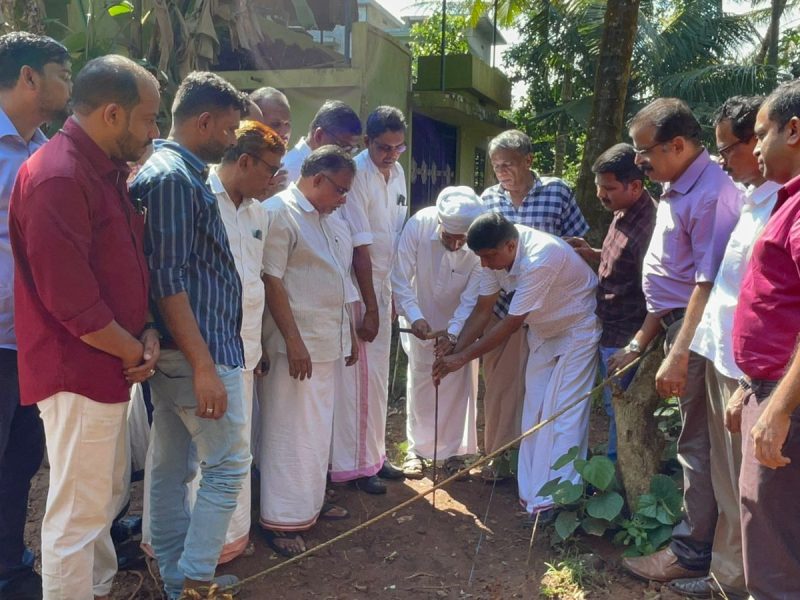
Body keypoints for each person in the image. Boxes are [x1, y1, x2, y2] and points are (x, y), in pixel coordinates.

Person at [10, 54, 160, 600]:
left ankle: (94, 588)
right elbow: (72, 301)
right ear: (114, 115)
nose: (154, 132)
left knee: (100, 498)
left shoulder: (100, 170)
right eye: (148, 120)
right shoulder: (58, 175)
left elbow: (122, 266)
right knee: (77, 510)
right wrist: (131, 349)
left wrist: (141, 334)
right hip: (77, 369)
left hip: (109, 363)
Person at [130, 72, 249, 599]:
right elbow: (168, 277)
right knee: (227, 468)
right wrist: (204, 365)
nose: (230, 141)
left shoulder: (176, 171)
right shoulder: (175, 178)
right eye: (226, 130)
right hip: (195, 352)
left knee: (171, 466)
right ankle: (197, 584)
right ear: (203, 122)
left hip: (185, 348)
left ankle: (179, 582)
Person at [617, 98, 743, 583]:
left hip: (693, 334)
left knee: (699, 446)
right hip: (673, 328)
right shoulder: (677, 187)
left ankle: (693, 554)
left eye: (642, 150)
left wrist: (678, 349)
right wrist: (647, 337)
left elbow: (704, 283)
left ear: (677, 144)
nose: (638, 161)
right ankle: (702, 551)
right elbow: (671, 275)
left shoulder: (712, 194)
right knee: (694, 444)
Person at [665, 96, 779, 600]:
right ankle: (726, 575)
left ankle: (741, 582)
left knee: (749, 488)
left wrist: (754, 381)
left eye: (728, 148)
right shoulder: (752, 198)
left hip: (751, 371)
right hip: (722, 355)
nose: (722, 159)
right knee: (726, 477)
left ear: (759, 142)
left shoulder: (781, 204)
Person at [434, 213, 599, 521]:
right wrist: (454, 348)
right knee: (534, 411)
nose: (484, 264)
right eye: (480, 258)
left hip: (577, 328)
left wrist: (462, 358)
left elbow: (509, 324)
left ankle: (560, 500)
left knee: (563, 414)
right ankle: (534, 495)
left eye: (488, 257)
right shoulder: (494, 256)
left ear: (511, 245)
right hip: (543, 332)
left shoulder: (541, 257)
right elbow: (484, 311)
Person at [258, 146, 357, 557]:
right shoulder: (280, 213)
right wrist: (293, 341)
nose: (343, 199)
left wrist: (347, 331)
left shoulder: (328, 220)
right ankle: (281, 518)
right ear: (316, 179)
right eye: (339, 190)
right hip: (295, 347)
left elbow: (338, 278)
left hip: (326, 341)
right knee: (288, 432)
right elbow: (272, 280)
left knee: (316, 433)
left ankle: (309, 505)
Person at [0, 31, 71, 599]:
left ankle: (10, 564)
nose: (69, 85)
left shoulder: (45, 151)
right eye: (62, 73)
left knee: (21, 462)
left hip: (29, 343)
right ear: (29, 78)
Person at [479, 129, 589, 481]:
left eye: (509, 164)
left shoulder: (557, 191)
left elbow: (579, 242)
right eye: (496, 166)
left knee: (546, 394)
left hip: (551, 310)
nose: (503, 172)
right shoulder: (488, 200)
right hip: (504, 312)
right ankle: (500, 457)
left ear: (528, 161)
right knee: (501, 388)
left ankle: (551, 468)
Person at [202, 120, 286, 562]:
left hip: (245, 351)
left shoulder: (258, 212)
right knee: (206, 461)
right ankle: (199, 554)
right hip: (205, 355)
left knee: (236, 452)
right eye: (270, 170)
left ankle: (230, 543)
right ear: (245, 160)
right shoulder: (201, 197)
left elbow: (253, 282)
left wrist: (256, 350)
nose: (273, 181)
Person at [730, 79, 800, 599]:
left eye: (760, 134)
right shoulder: (785, 201)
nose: (753, 148)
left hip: (788, 400)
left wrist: (776, 407)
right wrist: (750, 385)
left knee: (774, 543)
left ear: (793, 130)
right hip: (771, 386)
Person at [332, 105, 408, 494]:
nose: (390, 154)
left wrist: (392, 294)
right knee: (358, 381)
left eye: (398, 147)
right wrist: (372, 307)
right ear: (367, 142)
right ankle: (357, 466)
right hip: (360, 288)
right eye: (383, 147)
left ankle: (376, 455)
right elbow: (362, 248)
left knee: (378, 381)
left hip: (385, 285)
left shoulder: (397, 175)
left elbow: (395, 238)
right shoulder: (357, 174)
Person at [566, 144, 656, 461]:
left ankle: (618, 479)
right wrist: (593, 254)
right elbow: (623, 263)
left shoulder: (649, 227)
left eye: (609, 188)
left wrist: (635, 345)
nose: (602, 195)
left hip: (627, 336)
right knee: (613, 407)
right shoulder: (622, 211)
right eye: (599, 186)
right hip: (610, 329)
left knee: (621, 411)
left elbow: (657, 293)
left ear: (635, 185)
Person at [391, 186, 485, 479]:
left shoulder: (480, 237)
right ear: (439, 225)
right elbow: (400, 277)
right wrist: (416, 317)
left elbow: (474, 296)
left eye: (463, 240)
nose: (457, 245)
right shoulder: (420, 224)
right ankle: (417, 452)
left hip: (462, 322)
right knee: (421, 382)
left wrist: (454, 332)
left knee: (459, 383)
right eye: (450, 238)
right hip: (420, 321)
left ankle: (456, 453)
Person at [281, 100, 361, 184]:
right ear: (319, 136)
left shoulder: (335, 169)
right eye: (342, 146)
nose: (347, 156)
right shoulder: (288, 172)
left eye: (351, 150)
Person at [250, 87, 291, 197]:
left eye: (287, 124)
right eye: (275, 124)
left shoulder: (291, 168)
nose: (284, 132)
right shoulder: (234, 166)